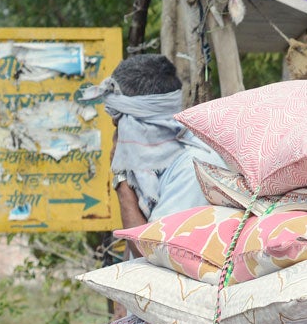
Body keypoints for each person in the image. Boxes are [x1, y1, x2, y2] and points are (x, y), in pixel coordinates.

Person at [95, 53, 226, 227]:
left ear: (142, 123)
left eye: (119, 118)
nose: (114, 123)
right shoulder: (153, 167)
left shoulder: (192, 168)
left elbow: (153, 251)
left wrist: (121, 181)